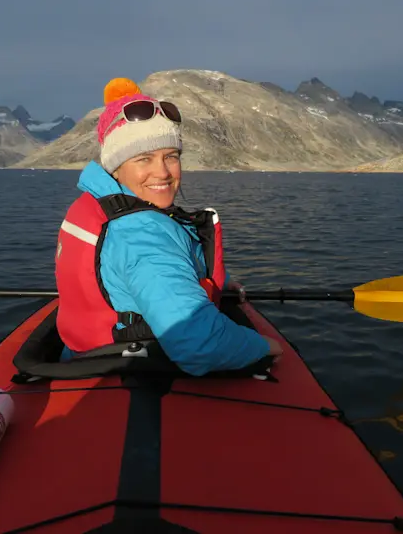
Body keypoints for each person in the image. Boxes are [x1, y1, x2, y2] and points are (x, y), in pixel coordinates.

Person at [54, 77, 282, 376]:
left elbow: (131, 273)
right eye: (143, 159)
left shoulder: (95, 204)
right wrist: (267, 347)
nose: (162, 172)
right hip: (133, 368)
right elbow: (198, 345)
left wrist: (220, 283)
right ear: (116, 167)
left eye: (170, 157)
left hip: (82, 358)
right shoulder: (143, 234)